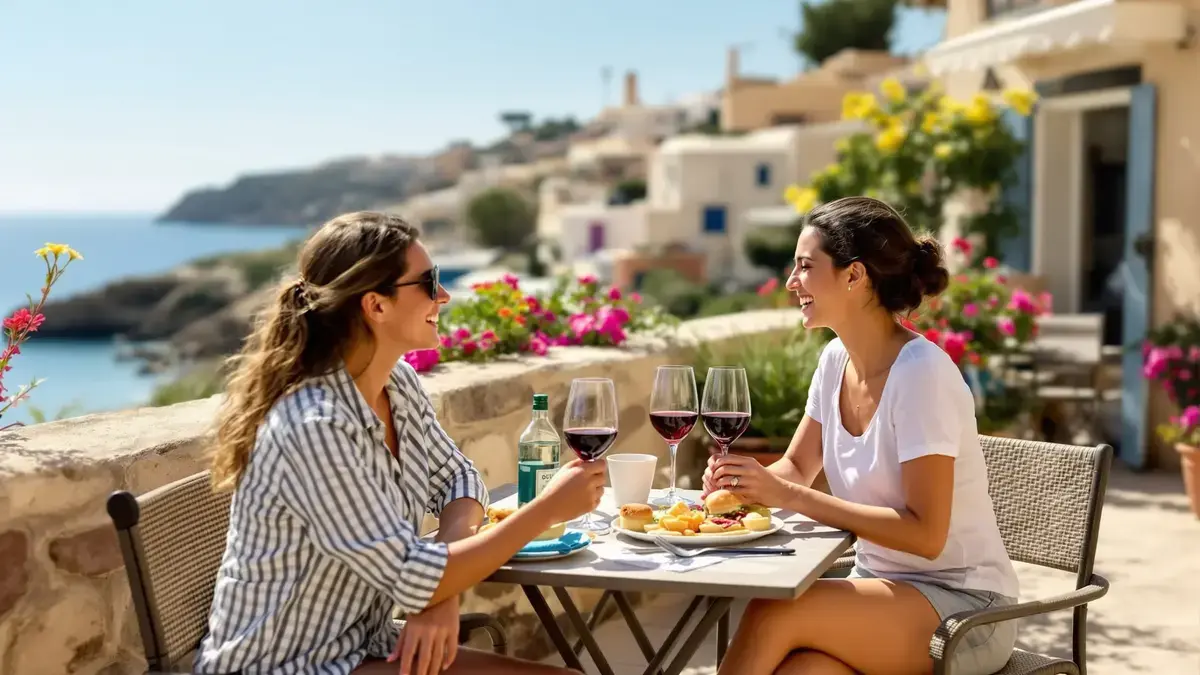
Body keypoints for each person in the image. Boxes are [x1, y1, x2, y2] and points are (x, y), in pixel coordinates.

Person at [195, 212, 602, 675]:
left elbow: (458, 478)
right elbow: (414, 579)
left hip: (361, 648)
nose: (444, 296)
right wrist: (547, 509)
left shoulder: (398, 384)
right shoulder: (315, 429)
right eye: (428, 284)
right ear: (376, 305)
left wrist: (440, 586)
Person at [707, 197, 1020, 675]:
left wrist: (786, 494)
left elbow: (926, 534)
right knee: (801, 670)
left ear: (855, 276)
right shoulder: (835, 361)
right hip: (882, 590)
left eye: (806, 267)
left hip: (966, 610)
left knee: (774, 612)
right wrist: (742, 485)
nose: (792, 283)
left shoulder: (921, 375)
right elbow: (794, 469)